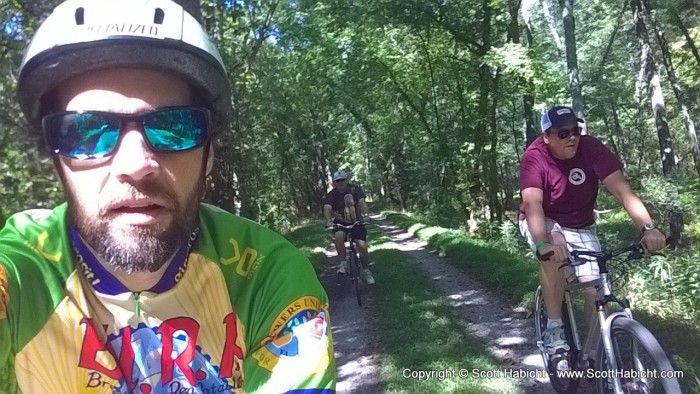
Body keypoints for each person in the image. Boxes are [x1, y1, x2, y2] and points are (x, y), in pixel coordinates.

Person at [0, 1, 335, 392]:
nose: (136, 163)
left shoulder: (266, 276)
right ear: (56, 161)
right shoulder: (24, 273)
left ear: (209, 155)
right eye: (87, 131)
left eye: (175, 127)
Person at [519, 105, 666, 359]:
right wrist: (543, 244)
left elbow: (623, 191)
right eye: (563, 133)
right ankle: (554, 328)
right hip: (543, 219)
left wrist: (648, 228)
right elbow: (533, 204)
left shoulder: (592, 149)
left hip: (581, 223)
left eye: (576, 130)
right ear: (546, 137)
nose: (572, 137)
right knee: (555, 248)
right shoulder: (534, 157)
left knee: (595, 290)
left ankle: (593, 355)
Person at [323, 171, 375, 285]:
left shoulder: (354, 190)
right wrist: (328, 221)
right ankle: (343, 263)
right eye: (338, 181)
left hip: (357, 221)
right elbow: (327, 207)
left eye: (343, 180)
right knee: (338, 236)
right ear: (334, 183)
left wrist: (366, 215)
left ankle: (366, 270)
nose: (340, 183)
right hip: (341, 223)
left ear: (347, 180)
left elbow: (361, 202)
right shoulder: (332, 194)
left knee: (361, 245)